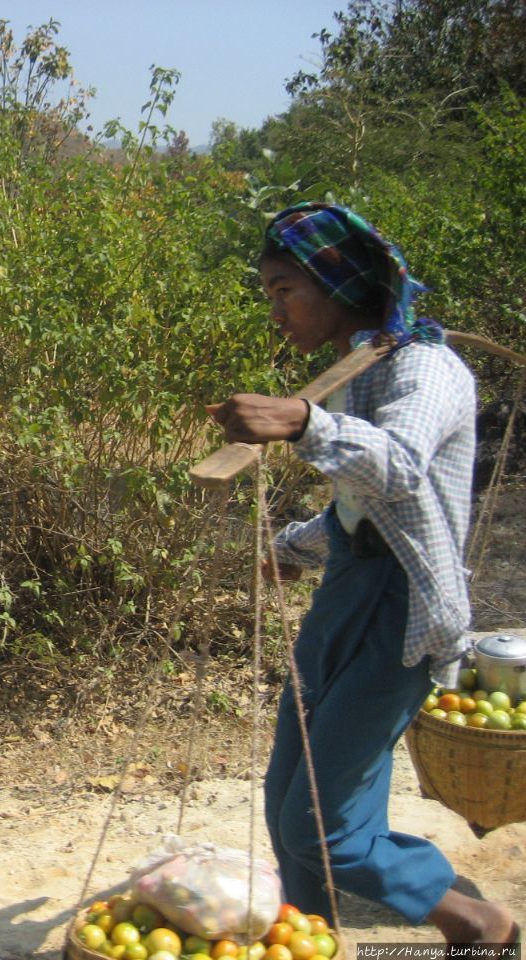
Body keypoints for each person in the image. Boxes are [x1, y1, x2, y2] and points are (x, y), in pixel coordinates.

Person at [207, 203, 519, 948]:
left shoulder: (429, 369)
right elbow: (362, 510)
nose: (275, 310)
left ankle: (482, 925)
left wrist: (304, 425)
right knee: (290, 797)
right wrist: (298, 547)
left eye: (285, 290)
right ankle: (312, 937)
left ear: (337, 282)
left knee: (328, 831)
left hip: (404, 613)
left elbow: (402, 467)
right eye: (269, 294)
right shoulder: (357, 368)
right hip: (348, 593)